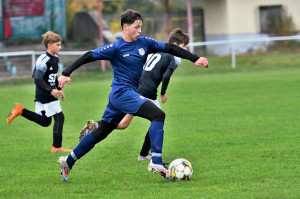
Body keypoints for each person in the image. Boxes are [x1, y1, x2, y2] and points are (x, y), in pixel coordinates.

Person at [57, 9, 208, 182]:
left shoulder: (144, 42)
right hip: (122, 93)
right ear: (126, 27)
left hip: (124, 95)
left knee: (102, 132)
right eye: (136, 27)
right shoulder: (115, 48)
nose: (139, 31)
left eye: (141, 27)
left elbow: (171, 48)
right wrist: (66, 72)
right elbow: (88, 56)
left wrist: (194, 58)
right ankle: (156, 162)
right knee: (158, 115)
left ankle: (67, 162)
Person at [79, 28, 191, 162]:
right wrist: (163, 92)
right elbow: (166, 76)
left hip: (136, 86)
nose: (184, 50)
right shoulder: (175, 57)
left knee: (125, 124)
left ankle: (98, 125)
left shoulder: (158, 50)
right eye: (183, 47)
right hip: (147, 90)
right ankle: (145, 155)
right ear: (175, 45)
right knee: (157, 118)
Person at [7, 31, 72, 153]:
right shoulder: (43, 59)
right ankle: (57, 147)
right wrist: (50, 91)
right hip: (45, 93)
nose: (60, 47)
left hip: (49, 92)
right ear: (49, 45)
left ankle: (21, 110)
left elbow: (53, 77)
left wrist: (59, 89)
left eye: (60, 44)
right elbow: (37, 79)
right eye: (57, 45)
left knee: (45, 121)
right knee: (59, 117)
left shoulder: (55, 59)